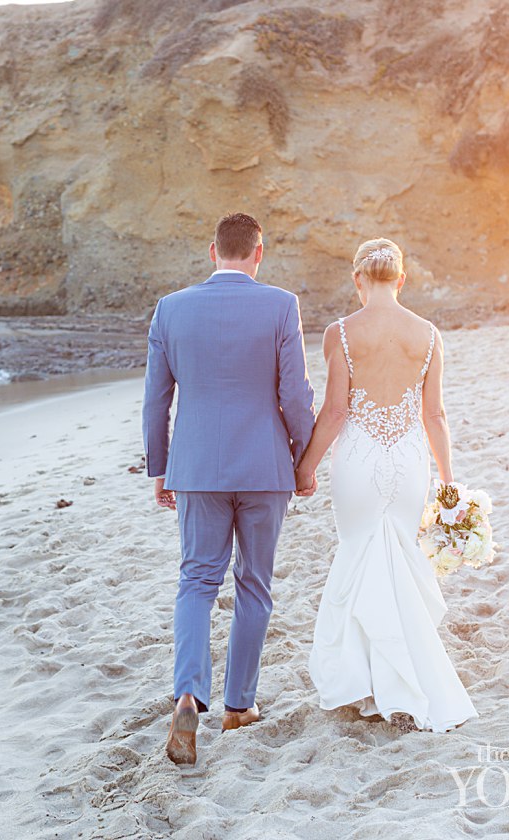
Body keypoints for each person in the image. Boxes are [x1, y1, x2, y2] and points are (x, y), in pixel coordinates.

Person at [142, 212, 317, 765]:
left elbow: (156, 399)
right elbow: (296, 393)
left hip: (196, 467)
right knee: (254, 584)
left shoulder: (171, 308)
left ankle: (189, 693)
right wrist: (305, 459)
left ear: (212, 252)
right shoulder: (281, 304)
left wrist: (160, 467)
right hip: (265, 468)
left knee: (196, 579)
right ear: (259, 253)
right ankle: (239, 706)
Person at [294, 237, 478, 734]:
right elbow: (435, 415)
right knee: (397, 559)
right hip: (409, 463)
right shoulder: (429, 333)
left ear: (358, 280)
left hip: (358, 460)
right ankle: (395, 681)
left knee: (358, 558)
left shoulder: (341, 333)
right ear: (401, 280)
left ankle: (372, 685)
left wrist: (305, 467)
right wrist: (447, 480)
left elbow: (334, 412)